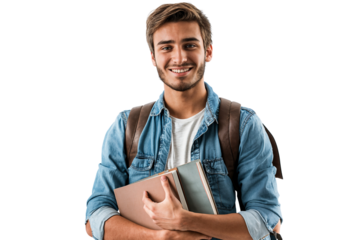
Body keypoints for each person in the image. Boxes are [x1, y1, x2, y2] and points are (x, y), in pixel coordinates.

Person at [84, 1, 283, 240]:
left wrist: (187, 221)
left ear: (208, 51)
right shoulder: (126, 125)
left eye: (189, 45)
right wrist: (162, 237)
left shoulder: (243, 124)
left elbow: (266, 219)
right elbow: (95, 217)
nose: (179, 57)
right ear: (153, 58)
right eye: (166, 47)